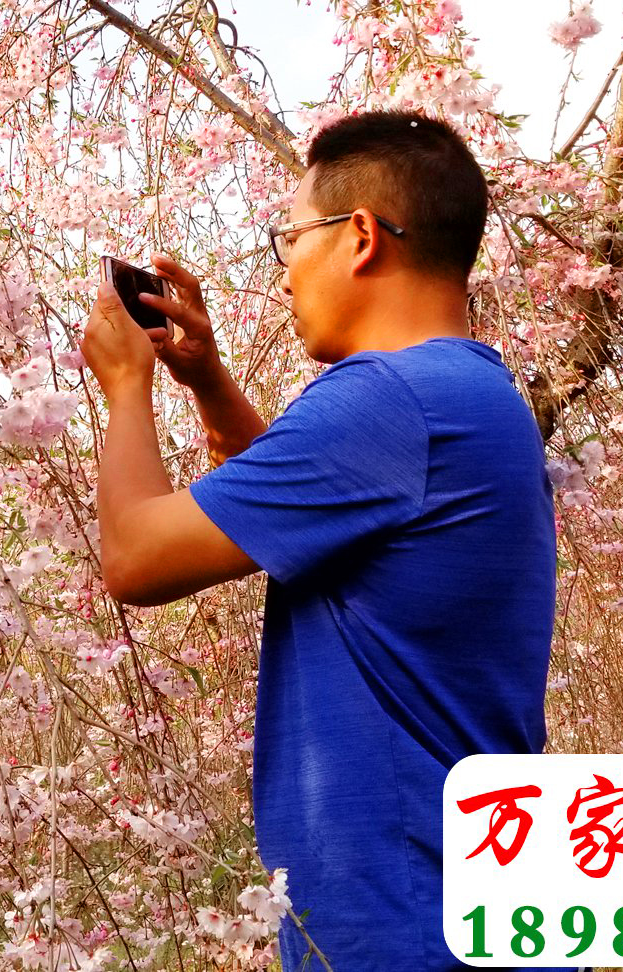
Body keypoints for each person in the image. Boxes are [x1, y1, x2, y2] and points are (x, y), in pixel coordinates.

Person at [79, 111, 559, 970]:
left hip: (407, 926)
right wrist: (209, 382)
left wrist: (126, 385)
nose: (286, 269)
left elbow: (134, 557)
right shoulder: (464, 393)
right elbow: (301, 507)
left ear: (362, 236)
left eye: (291, 237)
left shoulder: (388, 398)